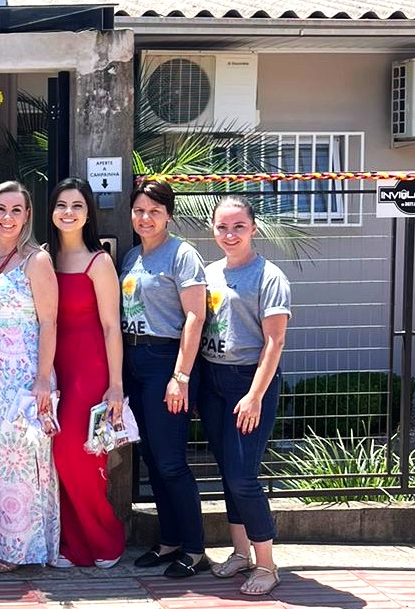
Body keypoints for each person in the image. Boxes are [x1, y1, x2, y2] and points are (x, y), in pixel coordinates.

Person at [0, 181, 59, 573]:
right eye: (0, 209)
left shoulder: (36, 260)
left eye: (16, 210)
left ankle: (17, 547)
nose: (7, 217)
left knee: (18, 462)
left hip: (21, 373)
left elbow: (49, 322)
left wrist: (41, 379)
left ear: (27, 216)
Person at [199, 197, 290, 597]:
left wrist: (255, 395)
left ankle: (267, 565)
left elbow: (275, 341)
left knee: (244, 477)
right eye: (222, 227)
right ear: (212, 229)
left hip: (249, 384)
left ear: (253, 228)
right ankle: (240, 553)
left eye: (238, 226)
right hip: (213, 381)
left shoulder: (269, 276)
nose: (229, 234)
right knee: (227, 474)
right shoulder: (209, 272)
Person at [121, 179, 208, 579]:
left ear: (168, 215)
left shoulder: (182, 255)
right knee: (152, 459)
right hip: (134, 359)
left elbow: (195, 316)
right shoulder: (131, 257)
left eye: (154, 211)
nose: (146, 218)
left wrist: (181, 375)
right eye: (139, 210)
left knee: (172, 461)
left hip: (165, 360)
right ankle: (170, 540)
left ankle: (194, 549)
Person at [44, 177, 126, 568]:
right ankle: (71, 544)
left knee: (77, 456)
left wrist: (115, 386)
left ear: (88, 213)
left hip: (89, 372)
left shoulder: (99, 262)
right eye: (62, 205)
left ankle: (106, 540)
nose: (69, 213)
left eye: (77, 205)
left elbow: (112, 327)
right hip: (51, 369)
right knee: (55, 459)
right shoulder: (43, 257)